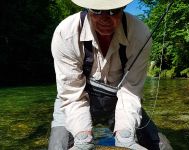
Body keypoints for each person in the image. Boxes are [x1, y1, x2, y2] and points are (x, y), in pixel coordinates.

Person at [48, 0, 172, 150]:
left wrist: (125, 136)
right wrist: (83, 138)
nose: (105, 18)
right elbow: (72, 94)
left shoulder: (140, 35)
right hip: (74, 98)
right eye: (97, 10)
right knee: (57, 146)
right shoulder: (66, 33)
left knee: (162, 146)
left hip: (120, 99)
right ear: (87, 8)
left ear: (123, 7)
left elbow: (131, 92)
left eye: (113, 11)